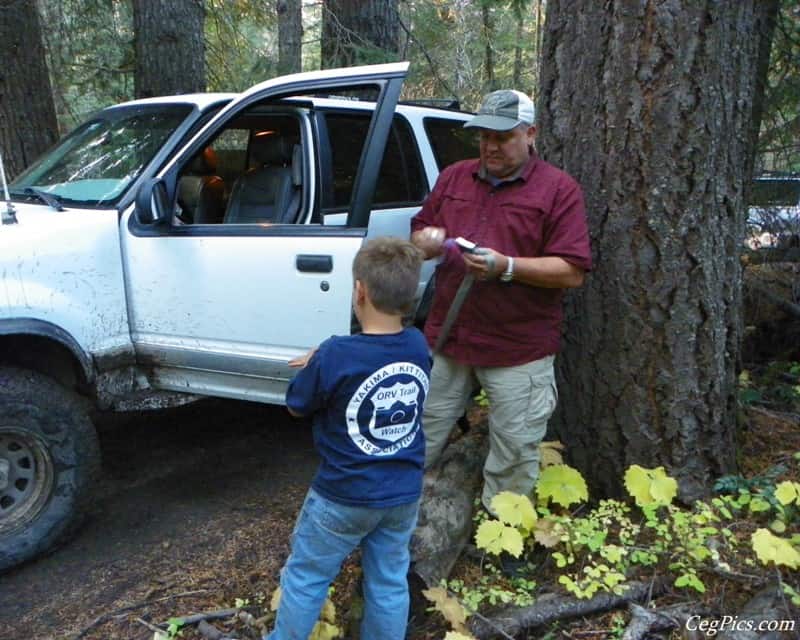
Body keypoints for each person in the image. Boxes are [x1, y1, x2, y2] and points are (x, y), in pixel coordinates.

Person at [410, 89, 592, 514]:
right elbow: (420, 234)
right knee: (420, 434)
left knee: (513, 450)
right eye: (483, 137)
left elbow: (572, 270)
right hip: (449, 339)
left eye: (503, 137)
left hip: (517, 348)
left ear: (531, 134)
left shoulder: (558, 190)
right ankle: (396, 523)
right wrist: (427, 241)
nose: (490, 146)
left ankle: (502, 537)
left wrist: (507, 266)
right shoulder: (455, 177)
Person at [265, 237, 431, 640]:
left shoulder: (336, 354)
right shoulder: (417, 344)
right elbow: (374, 357)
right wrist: (327, 356)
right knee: (389, 581)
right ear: (410, 295)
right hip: (403, 493)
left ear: (359, 291)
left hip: (343, 495)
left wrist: (318, 361)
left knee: (307, 576)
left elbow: (296, 405)